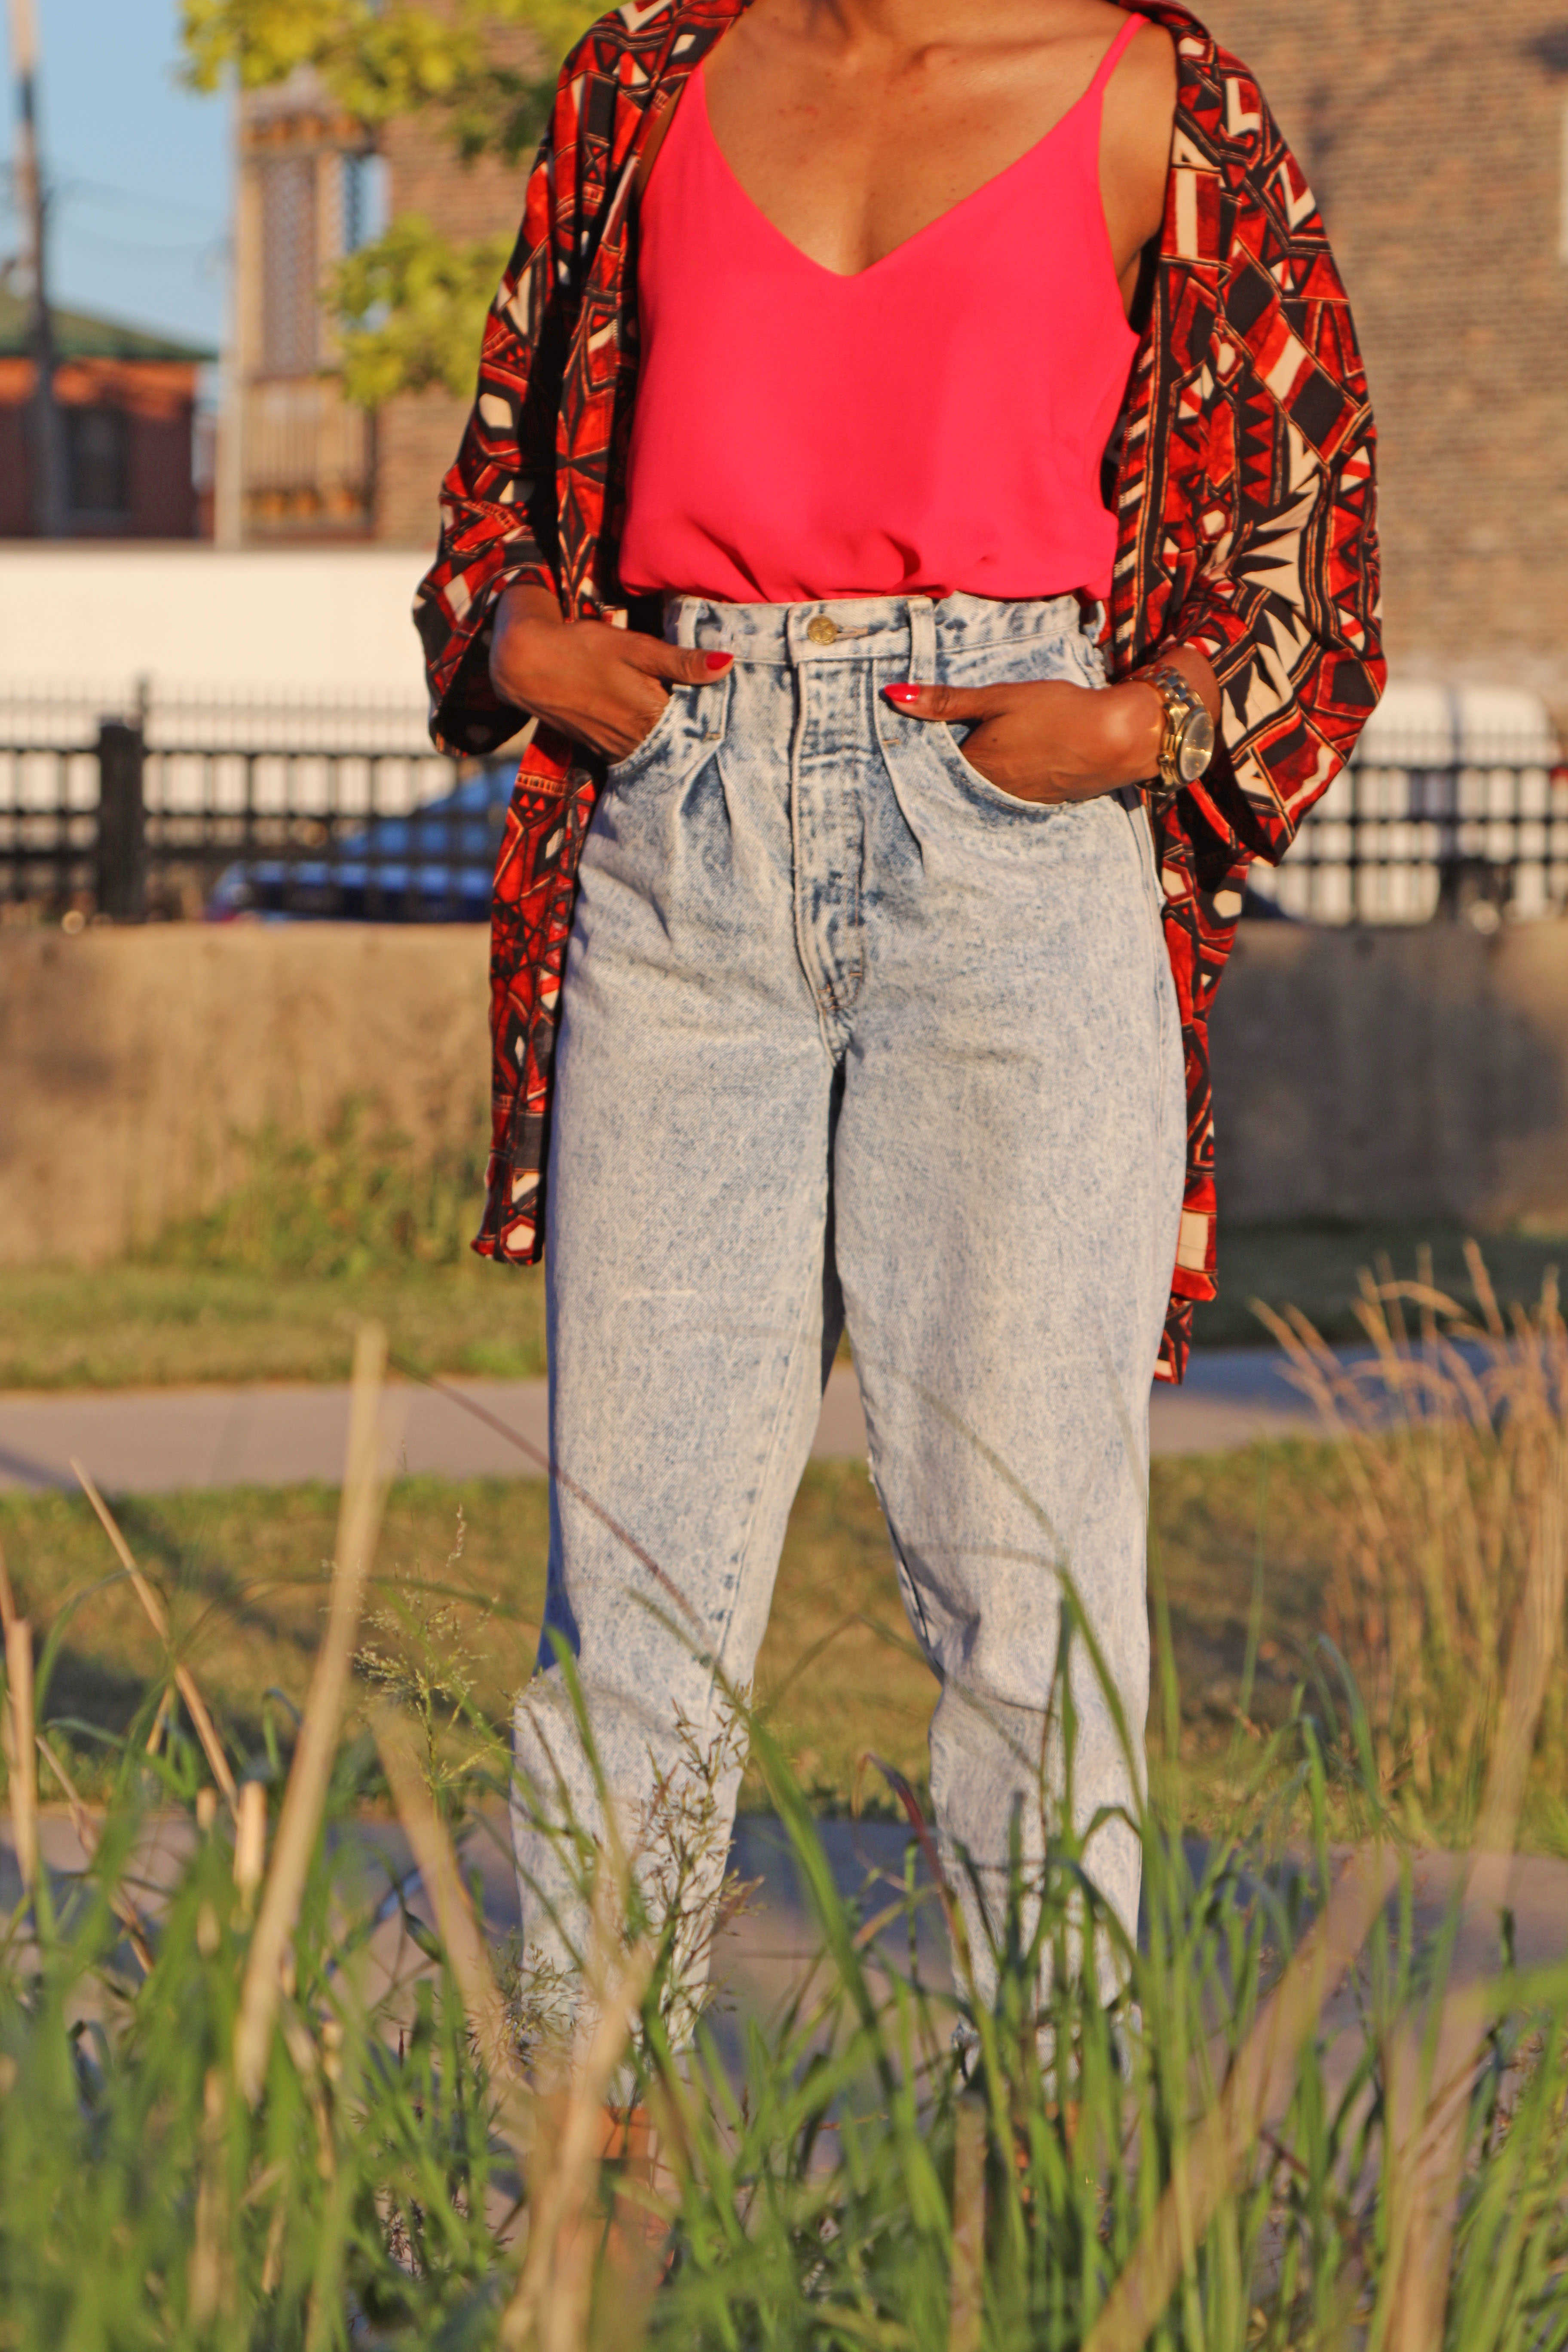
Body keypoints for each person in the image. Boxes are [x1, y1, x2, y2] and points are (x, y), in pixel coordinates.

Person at [415, 0, 1384, 2048]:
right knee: (637, 1581)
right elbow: (496, 481)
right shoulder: (649, 77)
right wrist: (526, 645)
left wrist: (1147, 725)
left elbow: (1320, 533)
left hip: (1008, 841)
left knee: (1024, 1588)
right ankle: (589, 2168)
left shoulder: (1154, 93)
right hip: (682, 829)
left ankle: (1038, 2174)